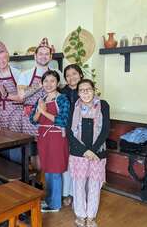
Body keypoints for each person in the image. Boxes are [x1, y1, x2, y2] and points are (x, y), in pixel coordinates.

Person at [67, 79, 109, 227]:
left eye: (88, 89)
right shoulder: (74, 106)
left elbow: (105, 130)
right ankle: (80, 214)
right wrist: (85, 151)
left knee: (94, 186)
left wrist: (93, 150)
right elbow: (69, 132)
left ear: (94, 90)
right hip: (78, 153)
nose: (85, 93)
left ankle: (91, 216)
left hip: (98, 153)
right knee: (78, 185)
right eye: (81, 90)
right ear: (78, 92)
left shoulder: (103, 105)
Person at [30, 70, 70, 213]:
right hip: (43, 137)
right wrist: (40, 110)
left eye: (52, 81)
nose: (48, 84)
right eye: (45, 81)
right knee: (47, 170)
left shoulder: (62, 99)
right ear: (41, 83)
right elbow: (32, 120)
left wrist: (44, 111)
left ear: (58, 83)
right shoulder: (41, 99)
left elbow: (62, 121)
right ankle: (49, 200)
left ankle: (55, 205)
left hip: (57, 137)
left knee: (56, 171)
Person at [61, 64, 84, 207]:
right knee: (67, 163)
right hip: (66, 132)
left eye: (74, 74)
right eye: (68, 75)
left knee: (80, 163)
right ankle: (66, 193)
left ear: (80, 75)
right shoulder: (62, 92)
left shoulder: (86, 90)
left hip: (83, 133)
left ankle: (78, 193)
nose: (71, 77)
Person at [0, 40, 22, 132]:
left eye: (4, 58)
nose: (1, 61)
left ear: (8, 59)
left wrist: (7, 94)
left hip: (15, 110)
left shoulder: (17, 73)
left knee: (14, 138)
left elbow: (22, 97)